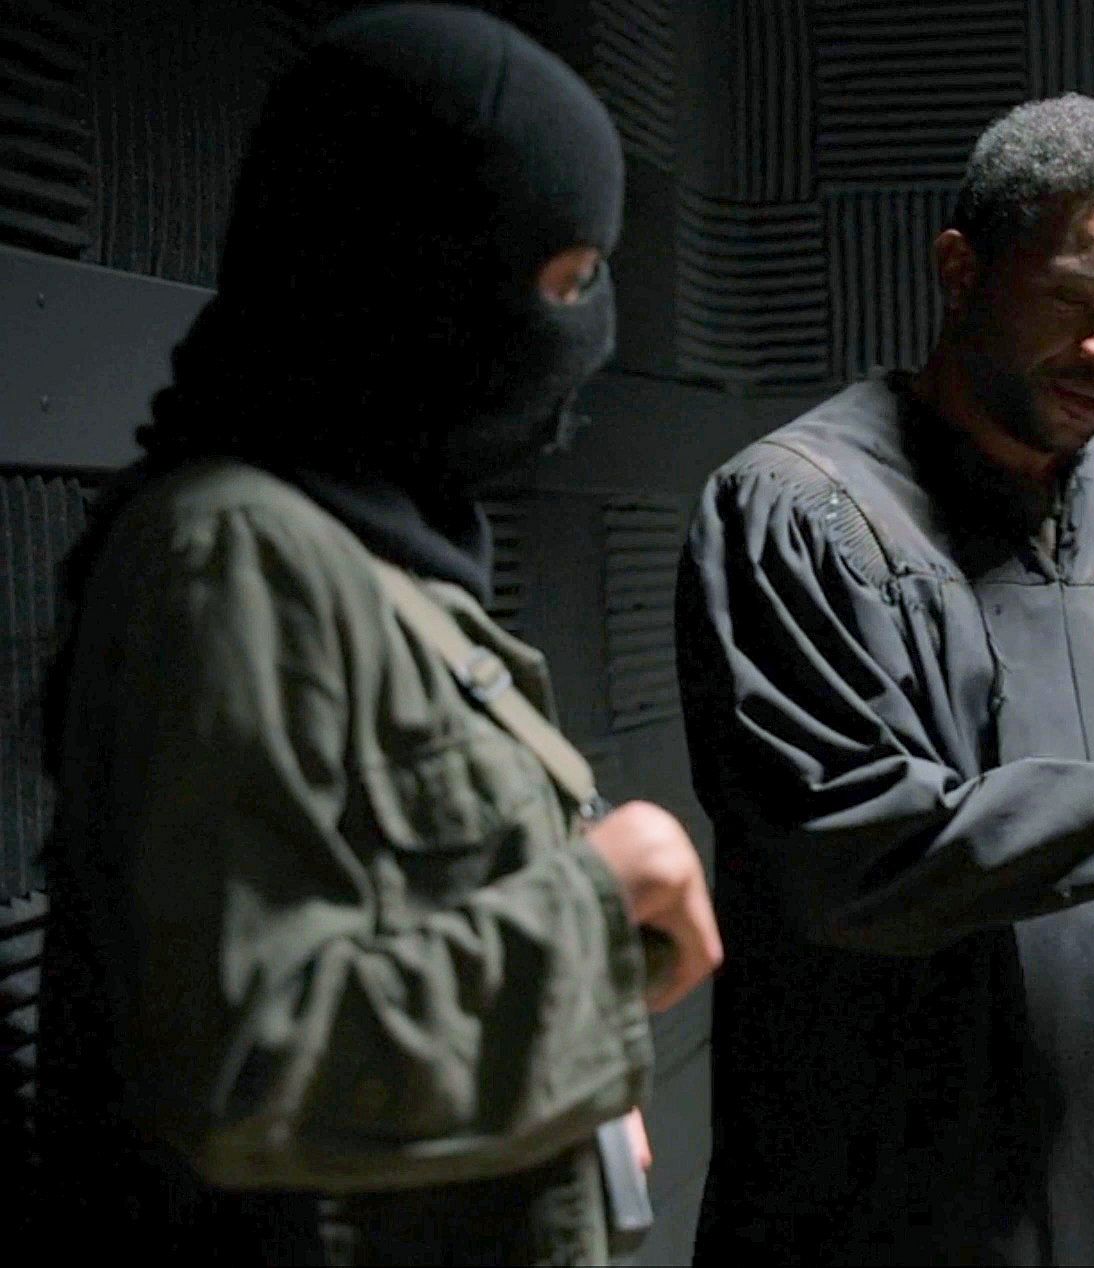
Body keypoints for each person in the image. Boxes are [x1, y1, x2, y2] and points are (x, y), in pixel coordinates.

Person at [35, 7, 720, 1262]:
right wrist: (595, 904)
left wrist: (568, 1057)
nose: (586, 334)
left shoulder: (368, 550)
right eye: (564, 282)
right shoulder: (235, 556)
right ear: (412, 271)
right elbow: (242, 1062)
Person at [679, 94, 1094, 1264]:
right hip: (891, 1207)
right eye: (1076, 303)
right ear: (961, 269)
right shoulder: (799, 513)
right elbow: (847, 852)